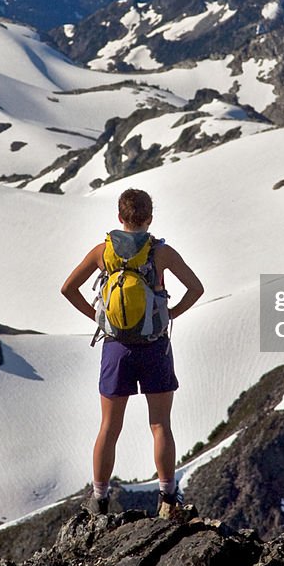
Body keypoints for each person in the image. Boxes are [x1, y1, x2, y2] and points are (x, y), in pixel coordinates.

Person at [61, 188, 204, 518]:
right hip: (154, 345)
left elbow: (68, 288)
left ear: (119, 218)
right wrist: (170, 314)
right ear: (150, 218)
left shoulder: (103, 252)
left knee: (109, 427)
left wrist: (99, 317)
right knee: (160, 425)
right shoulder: (161, 254)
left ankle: (99, 500)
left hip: (116, 348)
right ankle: (167, 496)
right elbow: (196, 289)